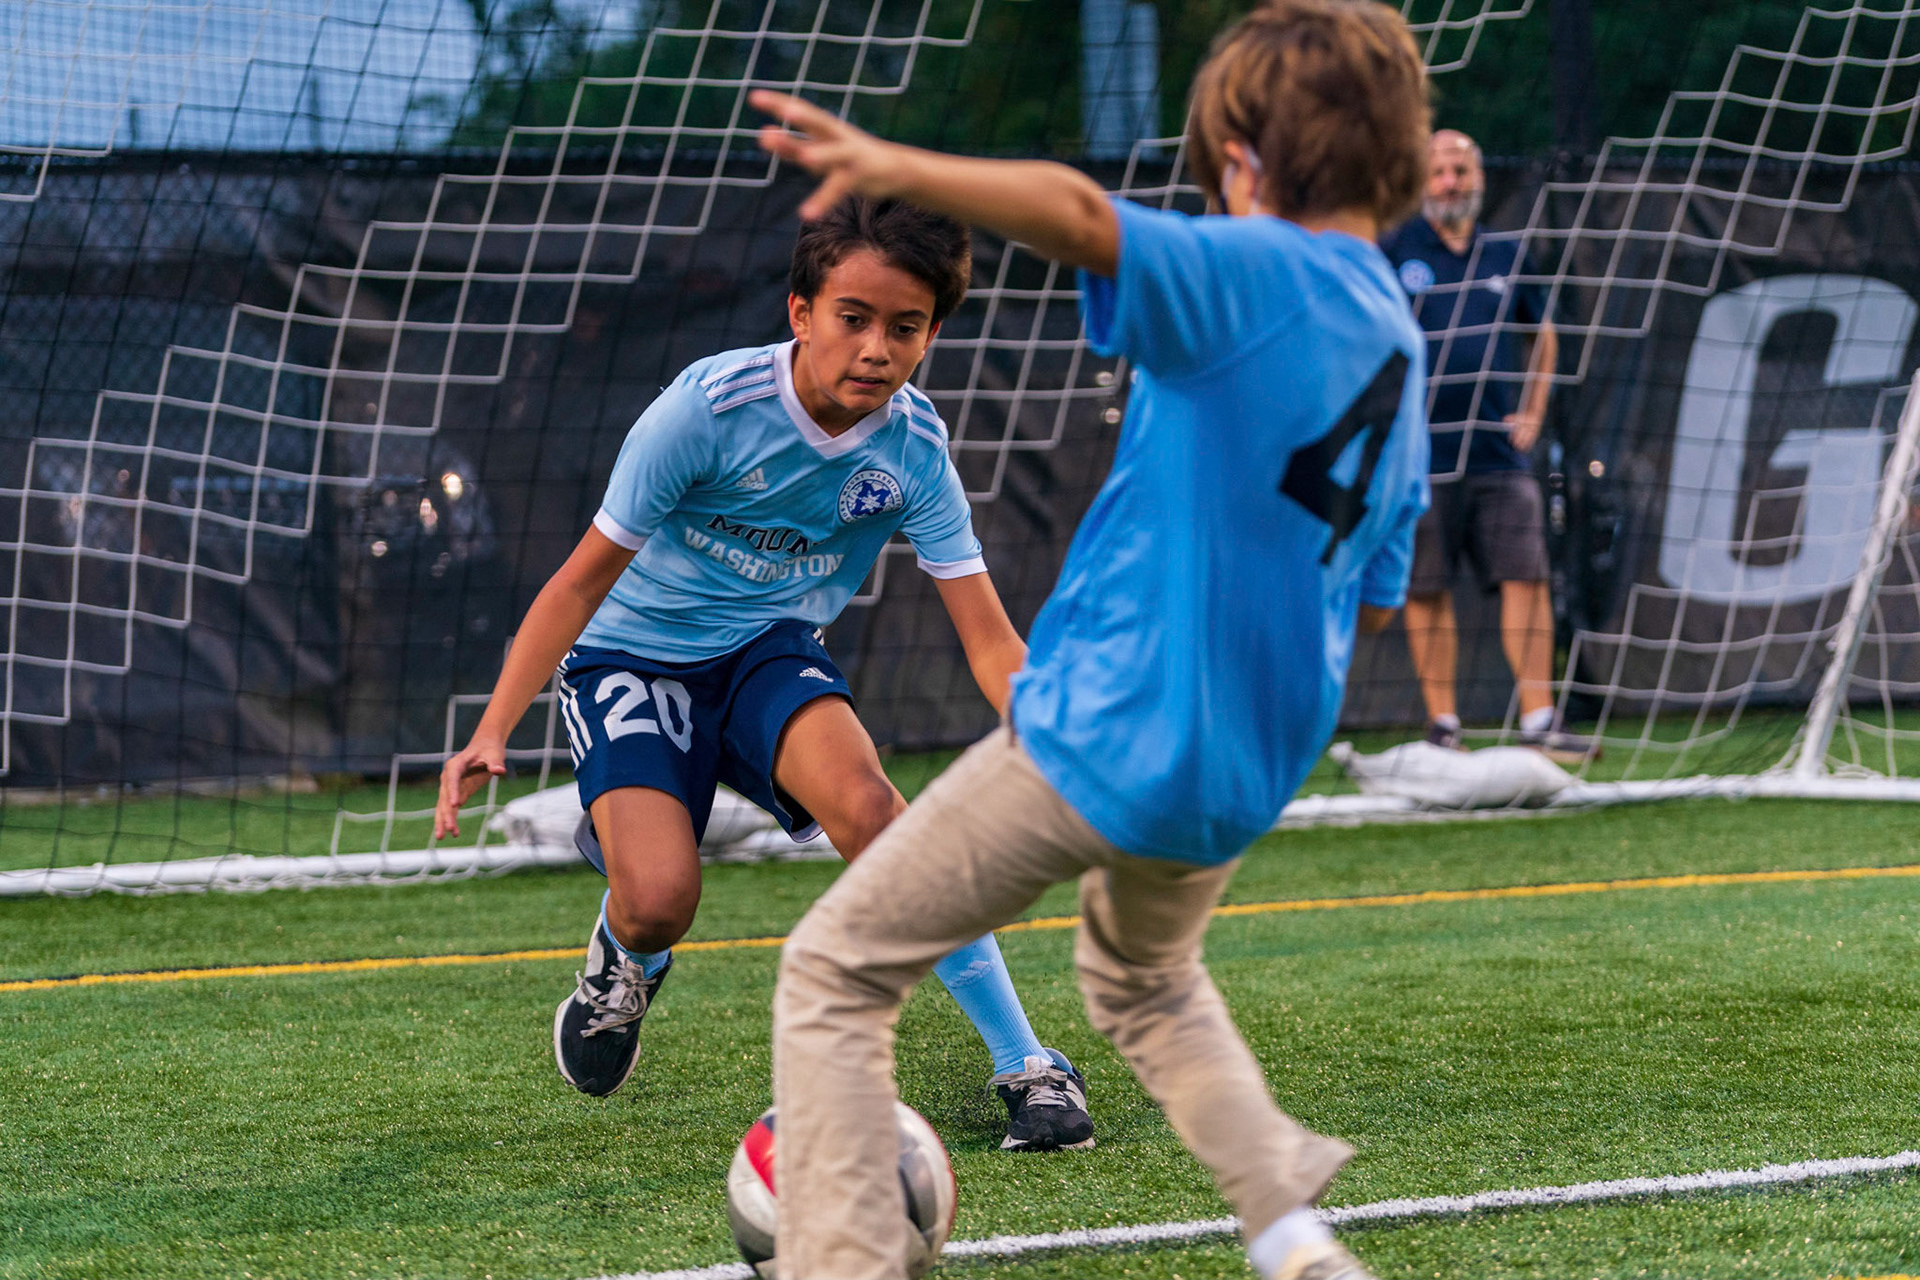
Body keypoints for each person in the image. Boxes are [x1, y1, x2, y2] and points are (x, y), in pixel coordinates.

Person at [752, 1, 1431, 1276]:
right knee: (1143, 980)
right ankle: (1294, 1235)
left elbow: (1076, 211)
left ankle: (839, 1259)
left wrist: (894, 168)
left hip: (1115, 725)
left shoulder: (1253, 272)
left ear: (1241, 163)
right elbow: (1380, 594)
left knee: (837, 968)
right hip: (1250, 765)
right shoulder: (1395, 330)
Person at [433, 197, 1095, 1153]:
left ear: (932, 336)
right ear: (801, 313)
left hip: (767, 647)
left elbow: (989, 639)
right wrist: (493, 728)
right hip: (634, 653)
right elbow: (578, 584)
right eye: (852, 318)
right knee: (663, 897)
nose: (875, 347)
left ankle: (1028, 1065)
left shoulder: (914, 447)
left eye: (903, 327)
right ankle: (624, 955)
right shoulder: (706, 411)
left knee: (876, 813)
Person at [1379, 129, 1579, 752]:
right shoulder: (1393, 249)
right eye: (1438, 171)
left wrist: (1533, 410)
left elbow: (1543, 334)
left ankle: (1540, 720)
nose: (1450, 182)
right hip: (1420, 452)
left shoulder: (1506, 253)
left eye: (1460, 169)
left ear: (1480, 179)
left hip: (1498, 451)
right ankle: (1445, 725)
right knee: (1426, 586)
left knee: (1527, 575)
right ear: (1421, 182)